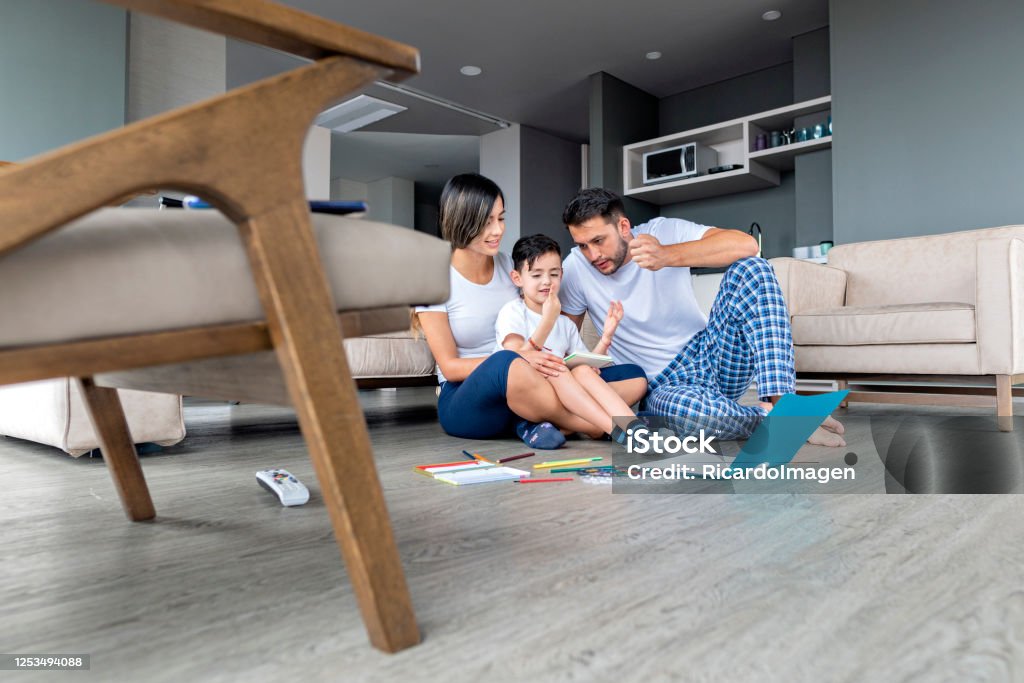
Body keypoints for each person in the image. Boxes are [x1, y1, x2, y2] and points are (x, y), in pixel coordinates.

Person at [558, 187, 845, 446]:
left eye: (598, 240)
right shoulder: (575, 268)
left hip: (710, 352)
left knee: (754, 269)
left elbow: (746, 246)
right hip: (664, 387)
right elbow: (564, 339)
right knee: (686, 414)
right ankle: (767, 419)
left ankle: (786, 405)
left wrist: (667, 255)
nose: (592, 254)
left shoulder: (664, 231)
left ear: (623, 226)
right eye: (583, 245)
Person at [415, 175, 647, 449]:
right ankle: (597, 426)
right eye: (486, 221)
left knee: (633, 375)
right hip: (467, 398)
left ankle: (537, 422)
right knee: (506, 362)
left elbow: (536, 320)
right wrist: (522, 358)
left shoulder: (510, 266)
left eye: (501, 218)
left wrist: (558, 360)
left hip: (532, 380)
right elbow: (450, 368)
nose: (498, 230)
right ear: (462, 221)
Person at [494, 234, 646, 444]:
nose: (547, 281)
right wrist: (548, 319)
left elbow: (587, 365)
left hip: (565, 393)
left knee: (601, 374)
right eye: (536, 275)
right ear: (517, 278)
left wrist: (607, 336)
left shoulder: (564, 323)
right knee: (559, 372)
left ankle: (632, 427)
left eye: (554, 274)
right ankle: (605, 427)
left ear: (561, 275)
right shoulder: (512, 311)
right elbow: (513, 357)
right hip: (529, 393)